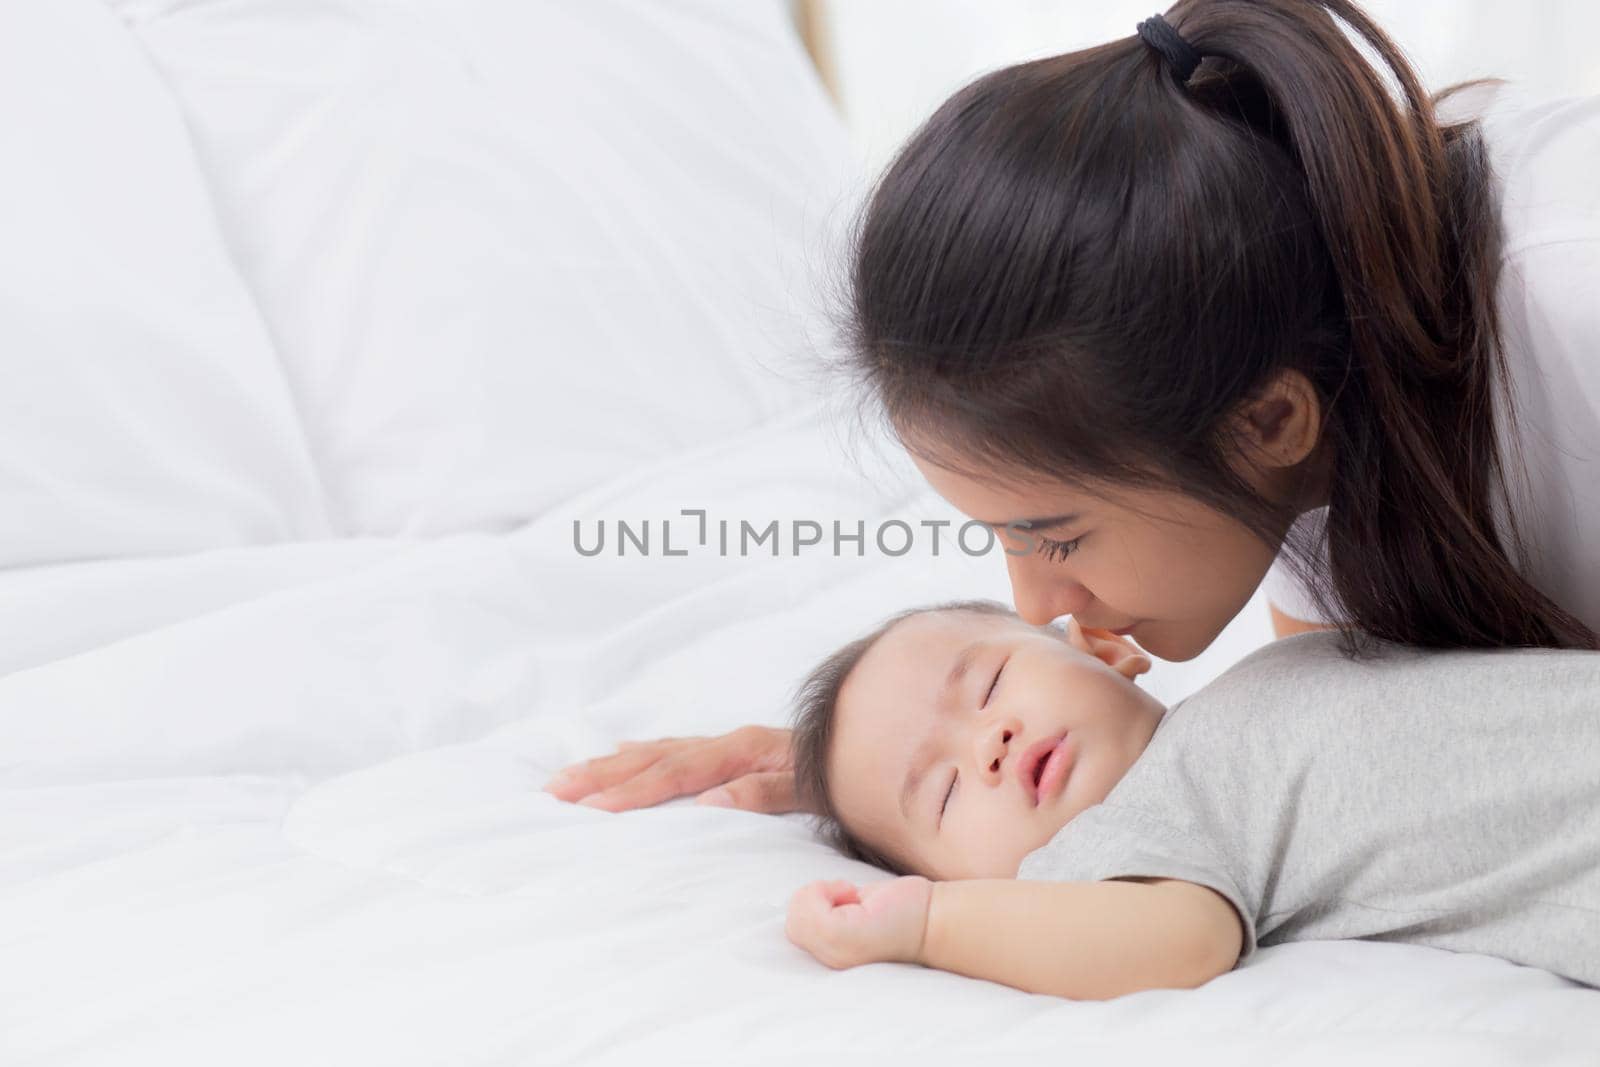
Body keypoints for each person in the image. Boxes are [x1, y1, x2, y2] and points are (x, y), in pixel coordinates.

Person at [544, 0, 1599, 815]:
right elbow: (1347, 747)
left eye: (1053, 533)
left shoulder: (1566, 286)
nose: (1041, 602)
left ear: (1267, 423)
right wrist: (888, 768)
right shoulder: (1288, 359)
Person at [781, 598, 1600, 1000]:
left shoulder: (1269, 667)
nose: (986, 742)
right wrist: (930, 924)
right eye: (946, 792)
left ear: (1102, 645)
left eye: (990, 681)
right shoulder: (1122, 839)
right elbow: (1180, 940)